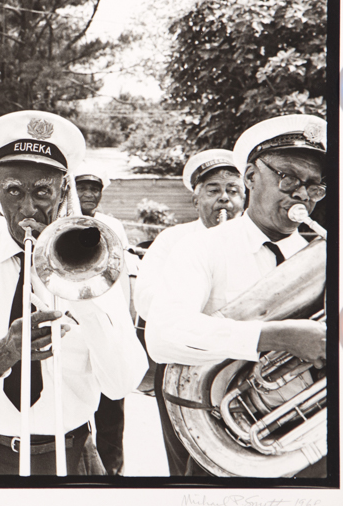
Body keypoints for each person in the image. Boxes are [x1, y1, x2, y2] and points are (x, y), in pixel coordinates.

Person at [0, 110, 148, 475]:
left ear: (62, 193)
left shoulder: (94, 261)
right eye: (13, 191)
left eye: (43, 190)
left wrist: (84, 298)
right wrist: (1, 355)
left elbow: (123, 382)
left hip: (73, 453)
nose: (28, 208)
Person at [145, 114, 327, 478]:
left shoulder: (324, 254)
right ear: (249, 177)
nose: (301, 194)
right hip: (228, 448)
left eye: (315, 185)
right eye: (288, 176)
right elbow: (162, 335)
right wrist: (274, 337)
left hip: (314, 445)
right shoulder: (202, 248)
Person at [134, 148, 244, 477]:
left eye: (233, 190)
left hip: (240, 369)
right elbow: (145, 299)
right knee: (184, 463)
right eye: (213, 190)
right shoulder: (172, 240)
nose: (224, 200)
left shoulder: (254, 241)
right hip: (182, 366)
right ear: (196, 200)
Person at [73, 162, 139, 476]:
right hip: (73, 324)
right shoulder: (62, 223)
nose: (88, 194)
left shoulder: (113, 225)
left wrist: (128, 319)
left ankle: (113, 470)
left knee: (112, 402)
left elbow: (125, 274)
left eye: (94, 188)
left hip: (109, 318)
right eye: (82, 187)